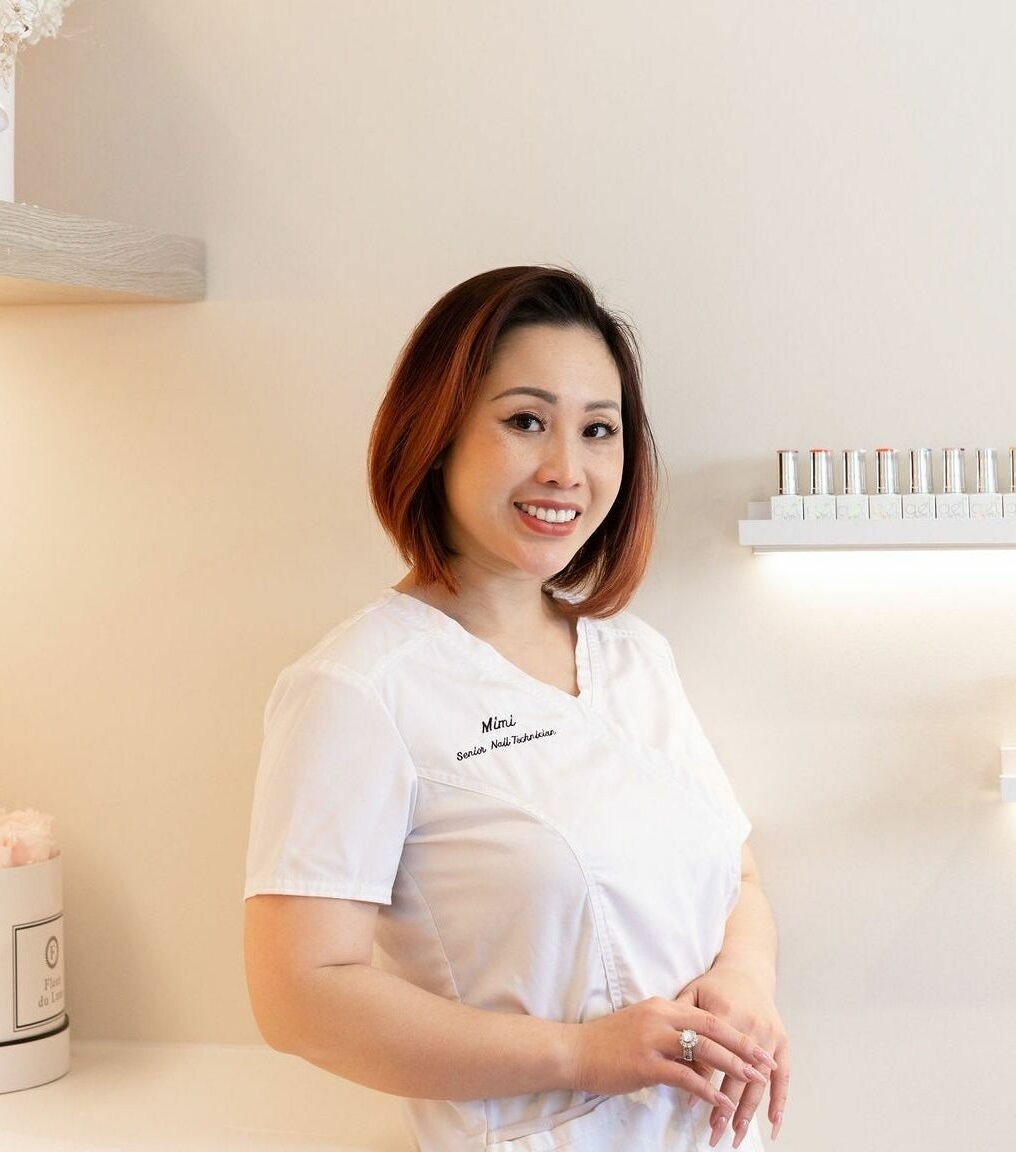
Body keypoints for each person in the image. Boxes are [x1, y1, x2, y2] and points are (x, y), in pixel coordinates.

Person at [243, 266, 788, 1151]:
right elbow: (300, 996)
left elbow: (739, 879)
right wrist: (580, 1055)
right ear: (438, 434)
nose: (565, 470)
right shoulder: (357, 687)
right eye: (525, 420)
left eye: (597, 430)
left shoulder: (634, 659)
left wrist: (746, 985)